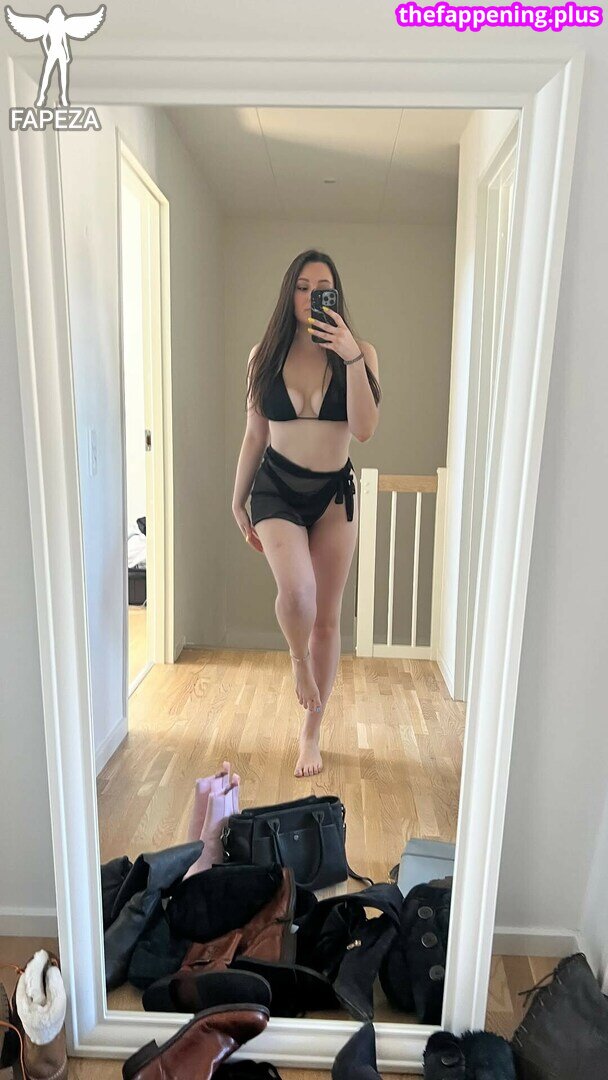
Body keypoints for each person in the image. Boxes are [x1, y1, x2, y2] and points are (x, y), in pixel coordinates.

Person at [232, 249, 381, 778]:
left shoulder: (360, 352)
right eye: (302, 286)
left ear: (335, 294)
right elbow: (255, 435)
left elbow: (364, 430)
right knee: (298, 595)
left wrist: (352, 358)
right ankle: (298, 664)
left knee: (327, 618)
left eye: (322, 287)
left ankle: (311, 733)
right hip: (276, 488)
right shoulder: (263, 356)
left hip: (333, 495)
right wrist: (237, 498)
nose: (311, 296)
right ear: (289, 293)